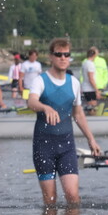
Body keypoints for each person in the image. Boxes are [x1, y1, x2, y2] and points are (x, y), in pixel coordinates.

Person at [26, 38, 101, 206]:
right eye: (58, 54)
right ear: (51, 57)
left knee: (73, 198)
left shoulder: (74, 82)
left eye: (66, 54)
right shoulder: (40, 80)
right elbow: (31, 102)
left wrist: (91, 139)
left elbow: (78, 114)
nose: (63, 58)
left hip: (67, 146)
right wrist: (45, 108)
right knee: (50, 201)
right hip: (43, 146)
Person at [80, 47, 102, 113]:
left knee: (90, 108)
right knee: (93, 108)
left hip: (86, 88)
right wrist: (97, 90)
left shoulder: (85, 63)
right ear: (94, 54)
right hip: (89, 89)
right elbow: (91, 79)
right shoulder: (90, 64)